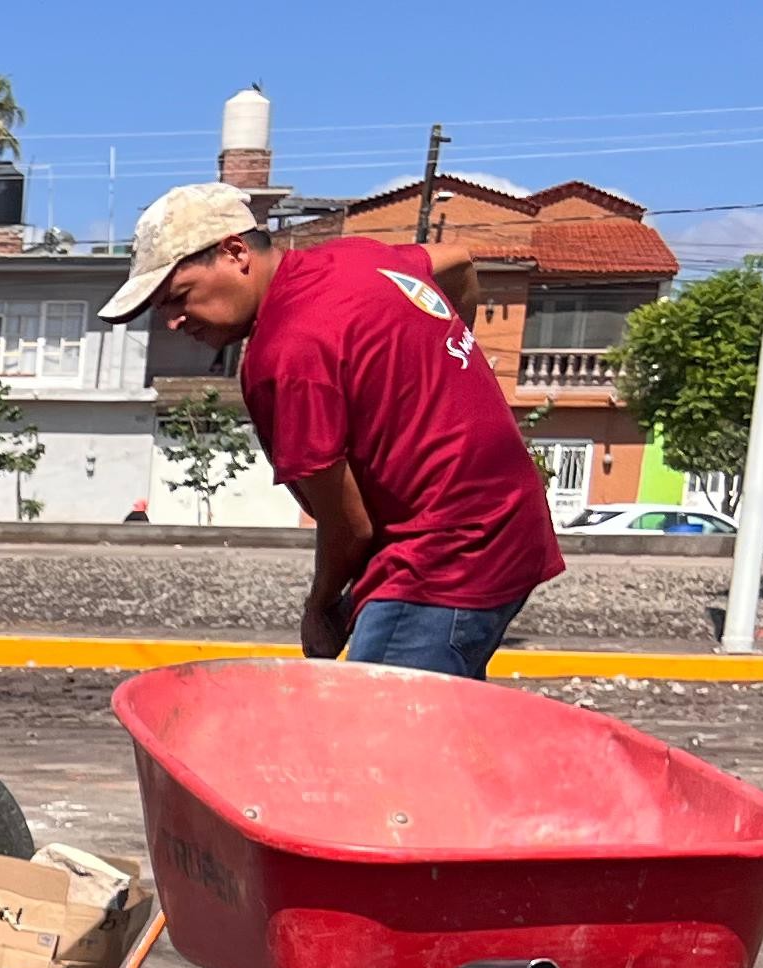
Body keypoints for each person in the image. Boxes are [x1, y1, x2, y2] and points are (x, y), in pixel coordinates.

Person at [97, 182, 558, 676]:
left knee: (378, 740)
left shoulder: (285, 355)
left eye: (178, 296)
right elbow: (457, 260)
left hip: (443, 559)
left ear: (235, 253)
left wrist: (319, 607)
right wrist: (448, 348)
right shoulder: (355, 258)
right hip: (512, 524)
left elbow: (350, 527)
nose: (172, 321)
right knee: (437, 728)